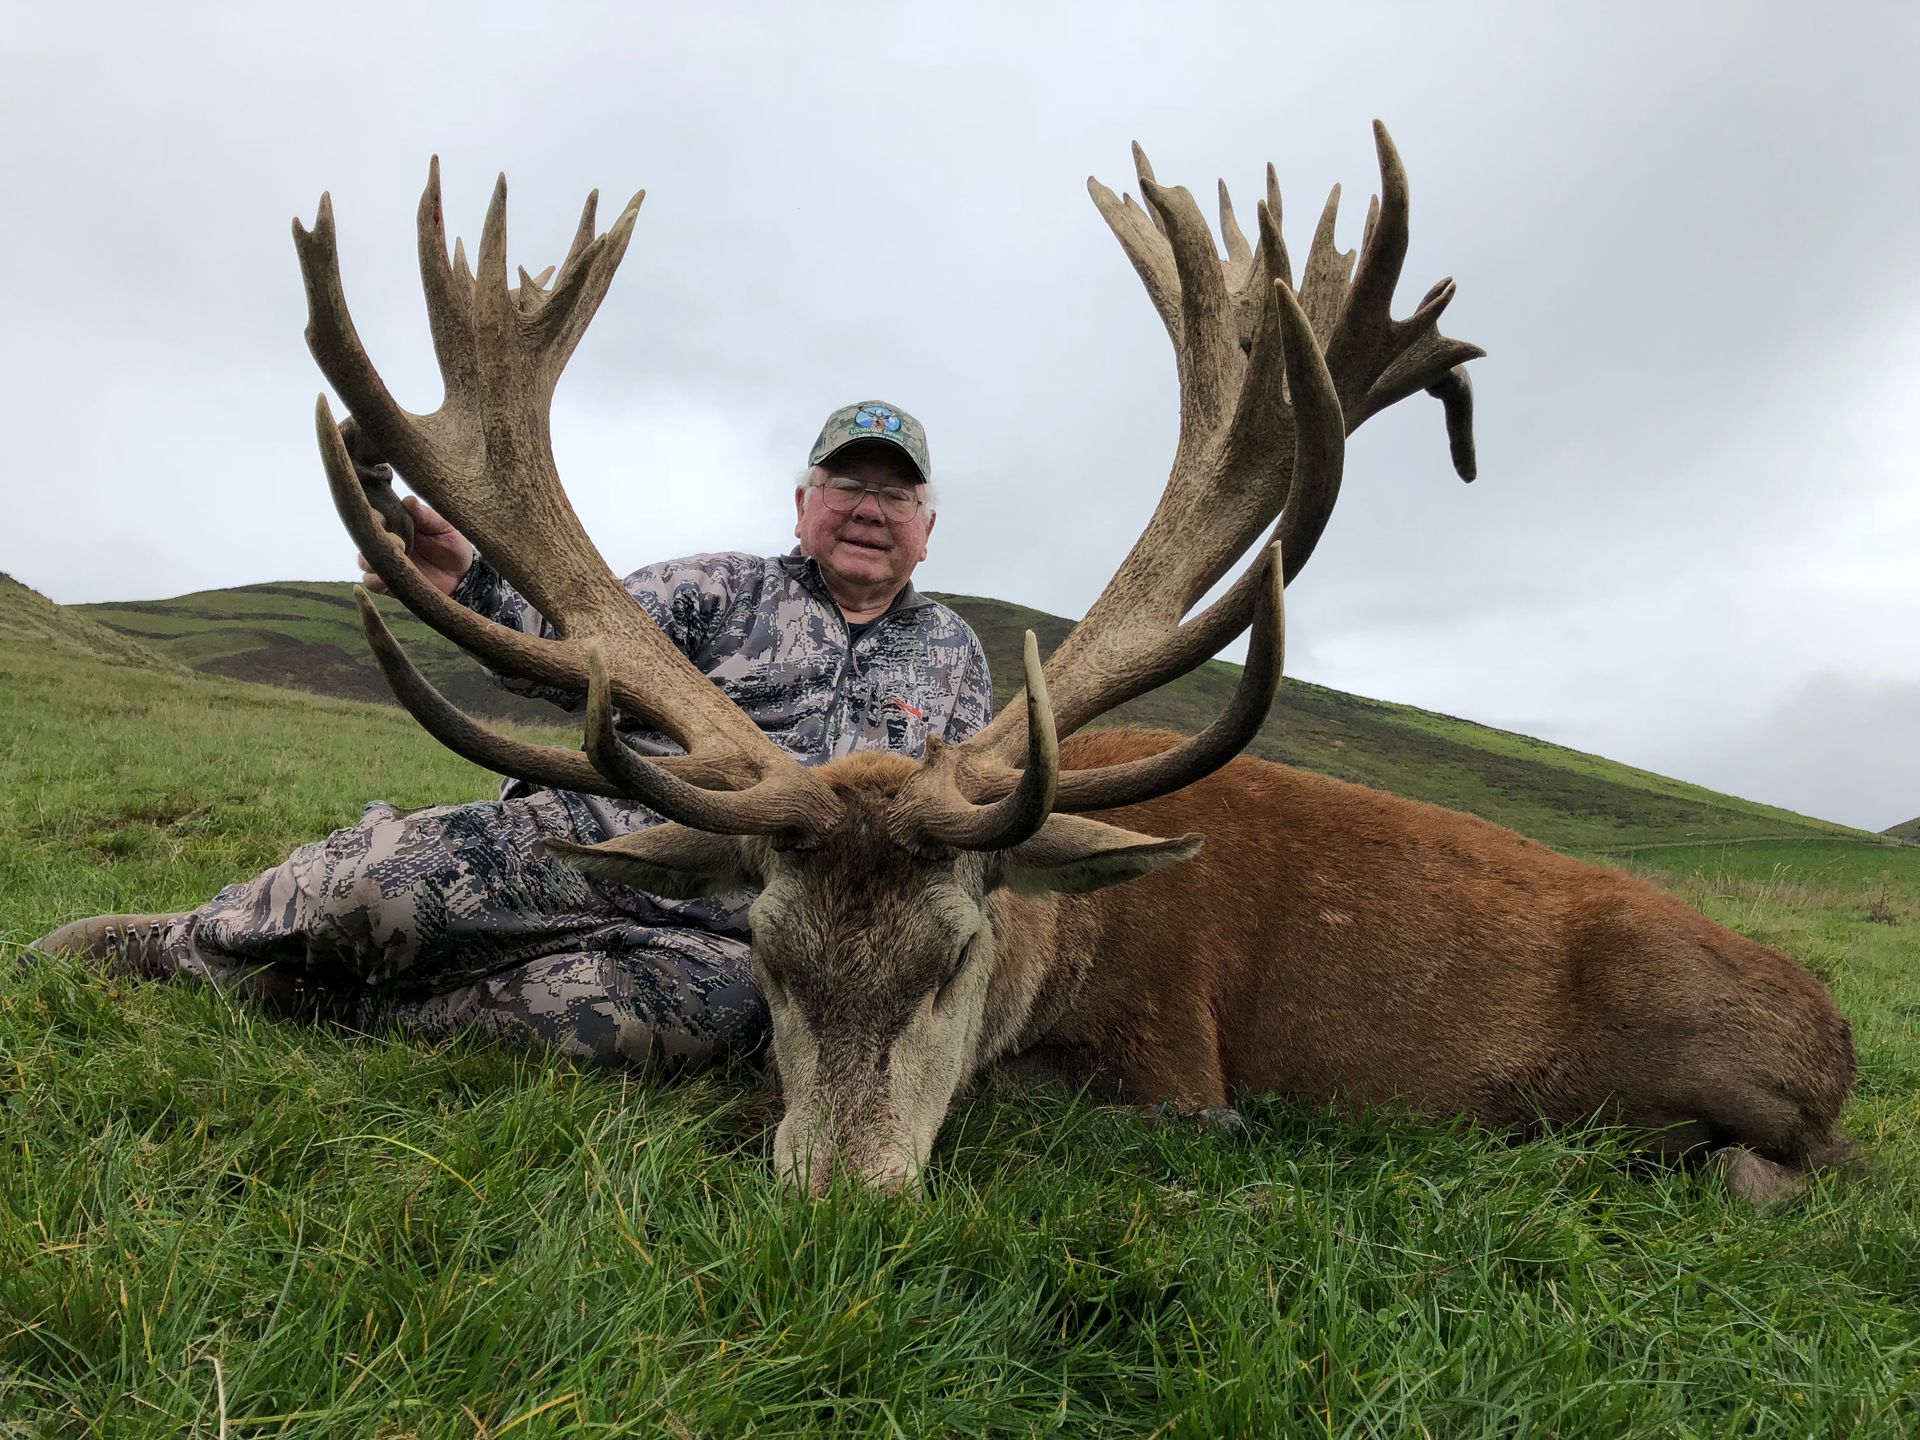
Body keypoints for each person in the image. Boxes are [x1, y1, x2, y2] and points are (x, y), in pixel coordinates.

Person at [32, 400, 994, 1073]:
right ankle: (185, 945)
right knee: (389, 893)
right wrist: (471, 583)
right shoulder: (721, 587)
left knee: (674, 1029)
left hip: (759, 924)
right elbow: (574, 644)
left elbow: (970, 822)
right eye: (845, 484)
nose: (870, 508)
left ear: (928, 527)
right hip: (600, 838)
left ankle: (318, 1003)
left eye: (896, 495)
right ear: (803, 505)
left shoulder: (955, 654)